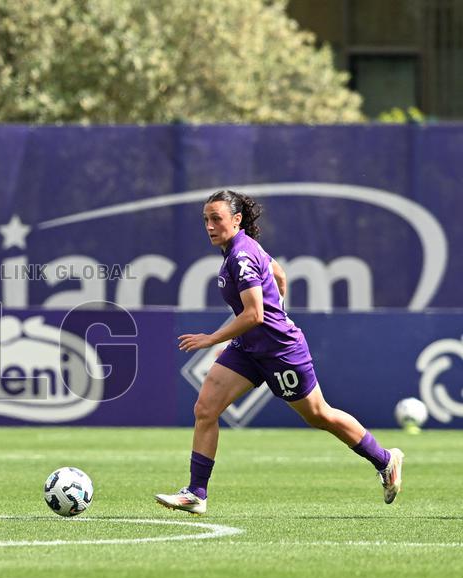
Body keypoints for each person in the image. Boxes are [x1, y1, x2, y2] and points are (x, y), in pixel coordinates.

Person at [155, 190, 403, 514]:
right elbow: (279, 275)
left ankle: (386, 460)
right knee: (206, 408)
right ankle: (196, 493)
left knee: (319, 415)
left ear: (236, 219)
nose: (210, 226)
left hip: (280, 352)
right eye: (206, 220)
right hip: (249, 348)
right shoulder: (240, 248)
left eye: (216, 218)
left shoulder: (241, 255)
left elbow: (254, 314)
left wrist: (212, 339)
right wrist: (279, 309)